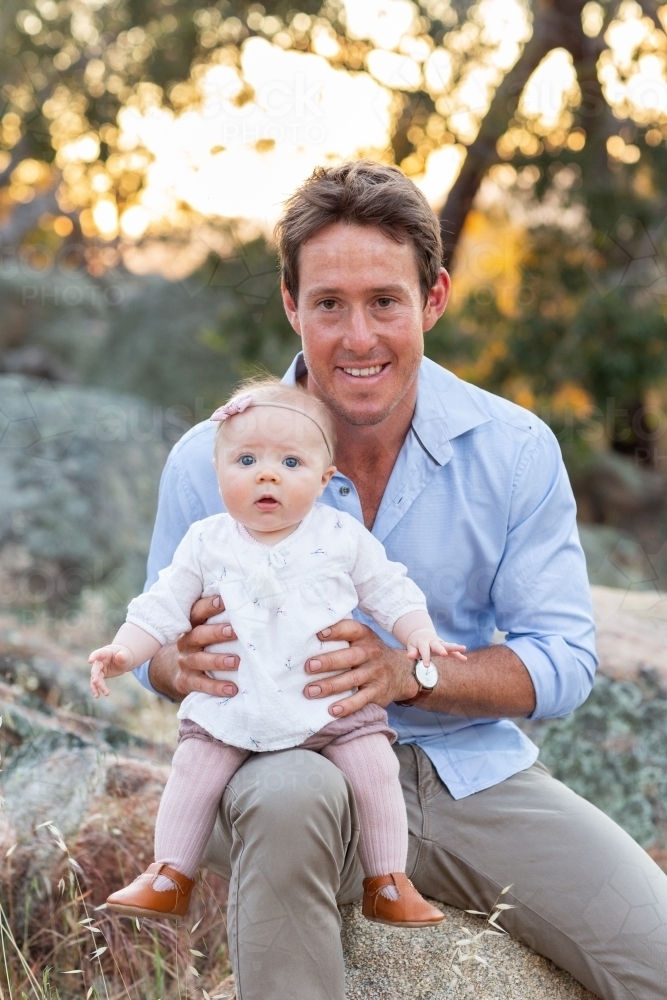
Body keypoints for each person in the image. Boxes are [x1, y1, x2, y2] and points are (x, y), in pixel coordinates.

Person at [134, 161, 667, 1000]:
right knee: (281, 796)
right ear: (290, 305)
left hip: (470, 774)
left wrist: (406, 674)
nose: (357, 338)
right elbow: (155, 654)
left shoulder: (513, 449)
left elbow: (562, 662)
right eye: (328, 305)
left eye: (384, 301)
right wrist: (179, 663)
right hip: (289, 766)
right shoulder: (208, 459)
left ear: (433, 299)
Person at [90, 379, 465, 926]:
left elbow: (389, 589)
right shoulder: (207, 541)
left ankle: (387, 880)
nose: (267, 474)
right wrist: (125, 651)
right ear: (219, 473)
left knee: (375, 768)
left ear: (323, 478)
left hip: (330, 707)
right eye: (246, 459)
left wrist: (418, 632)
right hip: (234, 703)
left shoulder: (340, 535)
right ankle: (169, 875)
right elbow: (162, 606)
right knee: (193, 769)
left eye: (290, 462)